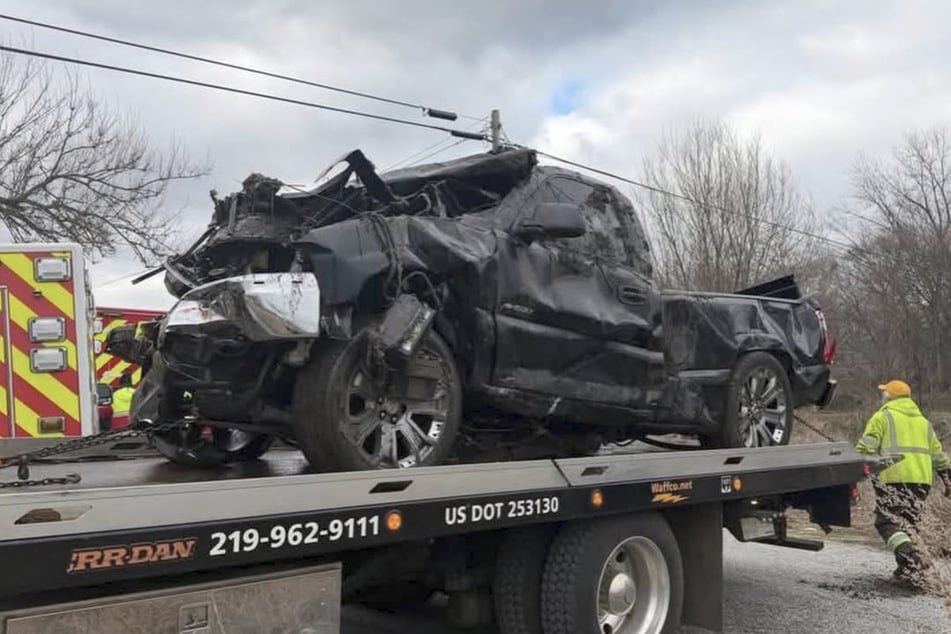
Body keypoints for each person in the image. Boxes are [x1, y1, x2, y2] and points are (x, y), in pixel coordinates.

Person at [855, 379, 951, 586]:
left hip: (893, 478)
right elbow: (938, 455)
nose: (882, 397)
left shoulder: (883, 417)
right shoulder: (923, 422)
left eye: (884, 394)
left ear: (889, 397)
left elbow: (865, 449)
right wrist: (946, 476)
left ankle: (910, 556)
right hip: (922, 482)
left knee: (886, 522)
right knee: (909, 523)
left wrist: (853, 464)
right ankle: (908, 571)